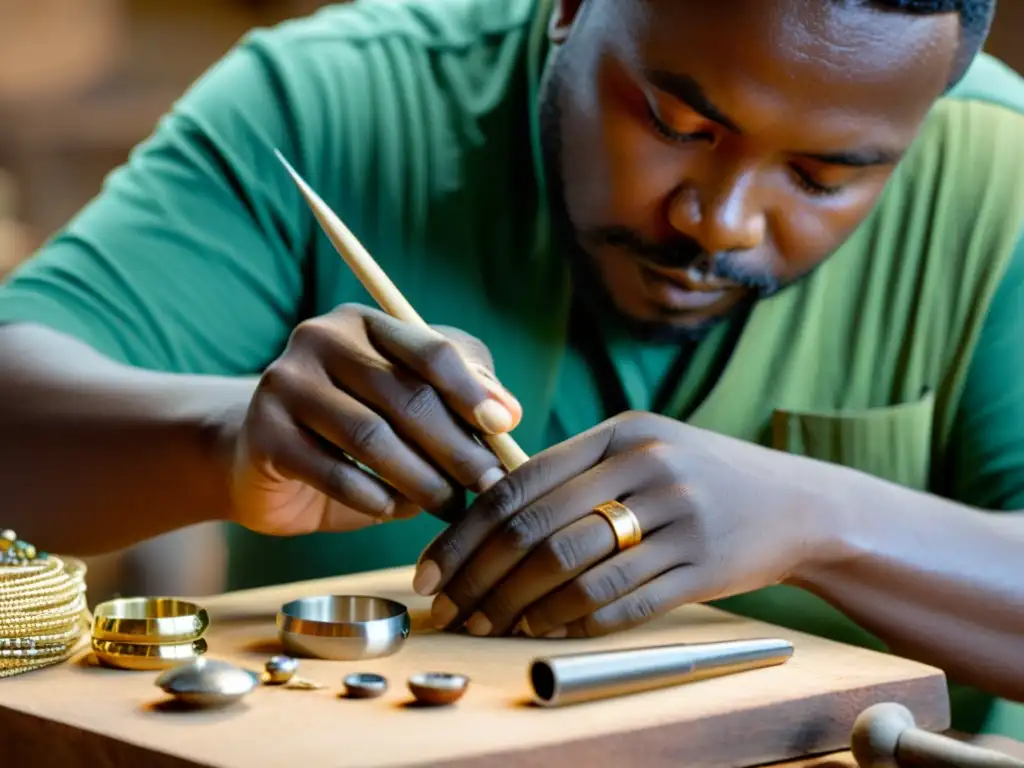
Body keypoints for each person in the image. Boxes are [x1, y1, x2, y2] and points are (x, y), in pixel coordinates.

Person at [1, 0, 1021, 741]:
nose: (720, 220)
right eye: (677, 125)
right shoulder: (328, 102)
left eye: (823, 176)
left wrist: (815, 518)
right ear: (570, 7)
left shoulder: (998, 173)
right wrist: (226, 441)